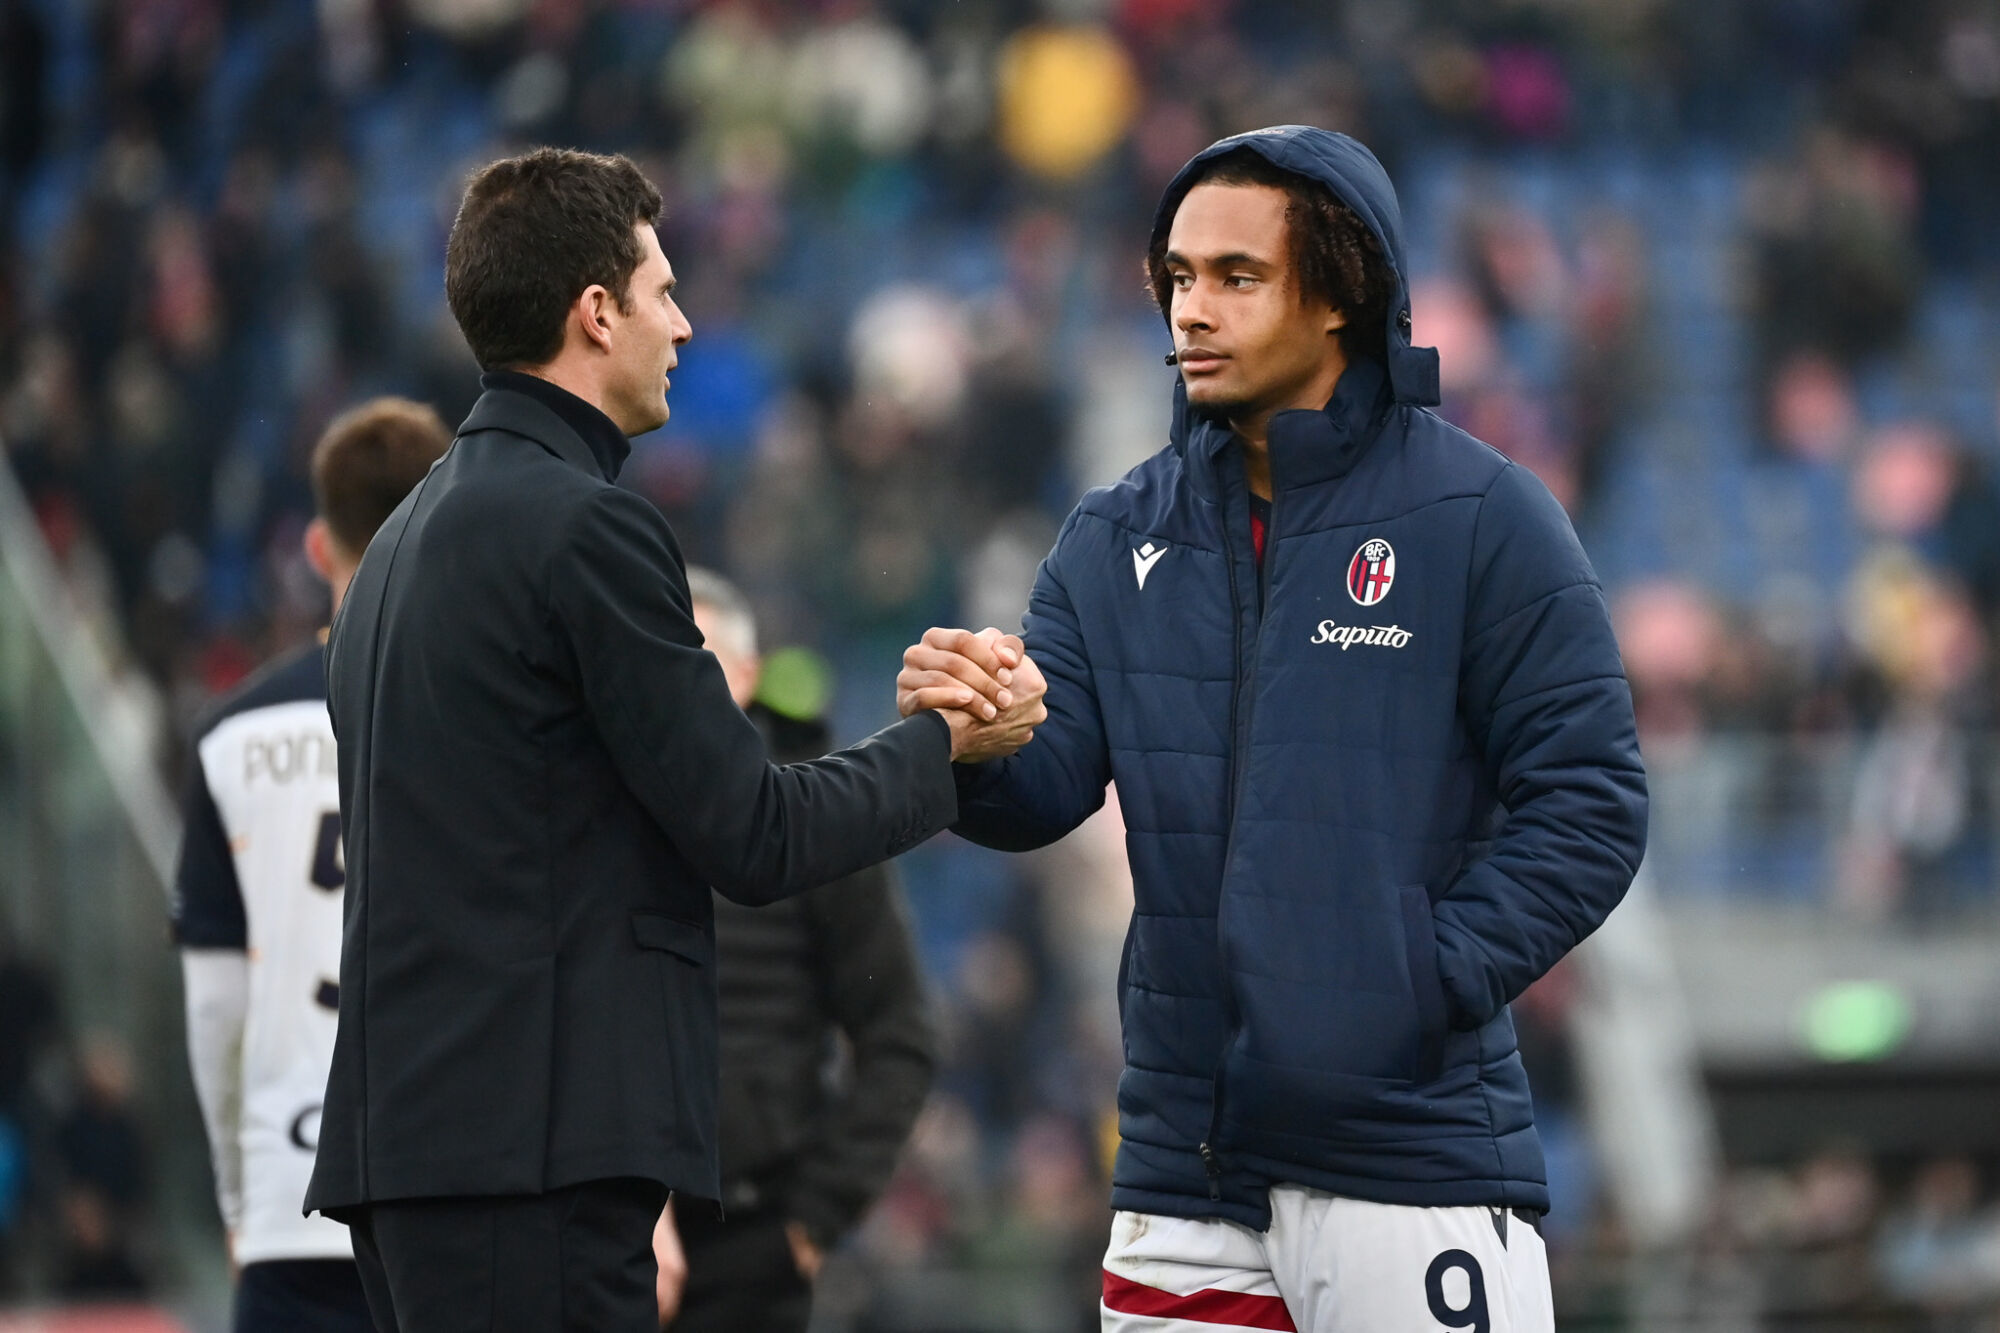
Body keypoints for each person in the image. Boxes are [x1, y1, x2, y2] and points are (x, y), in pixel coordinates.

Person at [897, 126, 1648, 1332]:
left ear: (1343, 292)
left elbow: (1592, 803)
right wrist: (975, 735)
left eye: (1235, 277)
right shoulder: (1109, 533)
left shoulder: (1482, 515)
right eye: (1178, 278)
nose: (1191, 309)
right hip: (1178, 1170)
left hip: (1409, 1155)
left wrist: (1419, 977)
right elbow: (1045, 789)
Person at [304, 147, 1045, 1333]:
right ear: (594, 315)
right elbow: (750, 830)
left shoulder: (396, 548)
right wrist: (945, 748)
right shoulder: (586, 530)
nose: (684, 324)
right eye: (660, 292)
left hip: (408, 1153)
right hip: (532, 1164)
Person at [173, 397, 451, 1332]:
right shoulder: (495, 714)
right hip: (451, 1189)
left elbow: (216, 1007)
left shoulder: (230, 735)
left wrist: (235, 1193)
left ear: (320, 551)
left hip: (293, 1195)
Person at [652, 567, 937, 1332]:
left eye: (698, 657)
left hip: (751, 1239)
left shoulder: (815, 820)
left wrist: (813, 1219)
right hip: (598, 1231)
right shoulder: (589, 807)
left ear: (748, 676)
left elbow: (900, 1034)